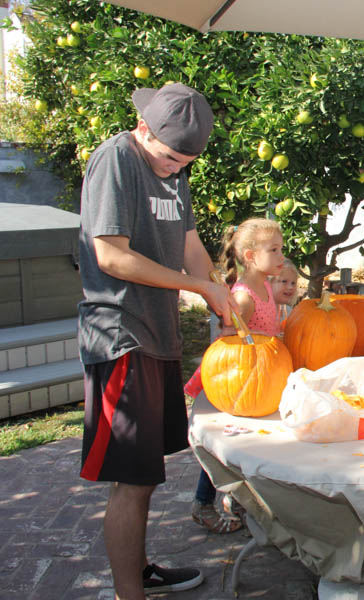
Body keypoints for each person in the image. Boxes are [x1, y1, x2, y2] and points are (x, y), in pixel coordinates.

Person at [78, 83, 236, 598]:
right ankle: (130, 592)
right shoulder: (116, 160)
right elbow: (110, 255)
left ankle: (139, 569)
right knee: (132, 476)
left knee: (146, 473)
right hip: (121, 335)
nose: (174, 168)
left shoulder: (174, 170)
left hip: (158, 335)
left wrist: (220, 297)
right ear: (144, 128)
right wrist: (197, 287)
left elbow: (190, 245)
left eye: (185, 161)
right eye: (169, 158)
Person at [189, 218, 286, 534]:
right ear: (250, 256)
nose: (280, 255)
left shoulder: (266, 287)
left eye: (280, 248)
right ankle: (204, 502)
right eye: (273, 250)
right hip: (241, 380)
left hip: (261, 375)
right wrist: (235, 332)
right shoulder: (244, 295)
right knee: (225, 448)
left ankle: (237, 500)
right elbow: (227, 337)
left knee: (246, 443)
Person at [271, 259, 301, 326]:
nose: (290, 287)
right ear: (269, 282)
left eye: (293, 283)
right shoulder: (256, 311)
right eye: (284, 281)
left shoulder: (289, 312)